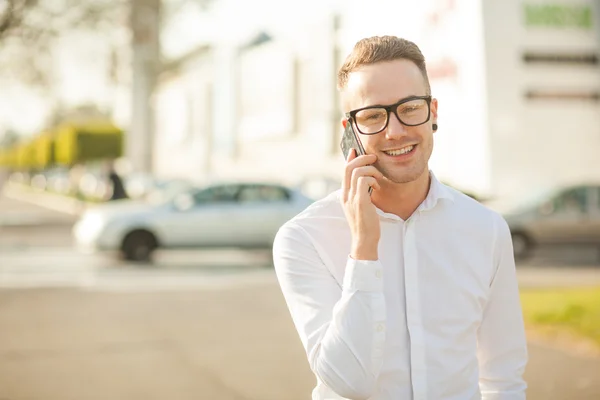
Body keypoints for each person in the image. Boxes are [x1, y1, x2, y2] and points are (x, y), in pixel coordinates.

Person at [272, 36, 527, 400]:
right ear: (350, 132)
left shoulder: (486, 229)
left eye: (410, 107)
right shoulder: (303, 238)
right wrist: (363, 249)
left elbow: (503, 379)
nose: (395, 131)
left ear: (433, 112)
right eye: (373, 115)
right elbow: (348, 382)